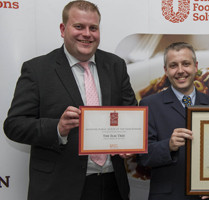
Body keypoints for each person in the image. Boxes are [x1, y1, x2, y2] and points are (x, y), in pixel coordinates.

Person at [3, 1, 137, 200]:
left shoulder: (115, 65)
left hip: (112, 184)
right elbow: (14, 125)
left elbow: (131, 113)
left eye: (93, 28)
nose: (87, 34)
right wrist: (57, 128)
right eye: (79, 26)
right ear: (63, 29)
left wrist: (130, 143)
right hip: (59, 187)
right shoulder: (37, 70)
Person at [138, 42, 209, 200]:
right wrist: (168, 145)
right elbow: (143, 157)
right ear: (166, 70)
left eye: (186, 64)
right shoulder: (149, 105)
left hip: (206, 195)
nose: (180, 71)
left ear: (195, 67)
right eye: (173, 65)